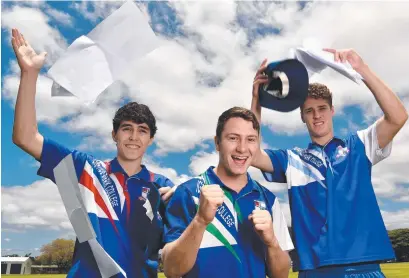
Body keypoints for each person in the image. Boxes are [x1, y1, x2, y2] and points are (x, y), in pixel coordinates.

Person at [11, 28, 175, 278]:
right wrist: (30, 73)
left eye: (142, 131)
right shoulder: (85, 169)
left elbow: (177, 245)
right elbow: (25, 137)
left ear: (151, 139)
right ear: (114, 135)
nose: (133, 137)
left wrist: (181, 201)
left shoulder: (162, 186)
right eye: (126, 129)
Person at [250, 49, 408, 277]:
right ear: (302, 116)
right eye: (309, 111)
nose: (317, 115)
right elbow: (252, 153)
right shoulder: (292, 160)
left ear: (332, 110)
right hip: (314, 270)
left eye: (322, 108)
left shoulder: (358, 147)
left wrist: (362, 69)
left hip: (363, 267)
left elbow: (398, 117)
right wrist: (257, 101)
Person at [161, 106, 294, 278]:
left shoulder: (268, 200)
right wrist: (200, 221)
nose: (242, 148)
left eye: (251, 140)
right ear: (217, 142)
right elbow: (172, 270)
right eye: (233, 138)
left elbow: (281, 275)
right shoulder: (187, 193)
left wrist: (272, 243)